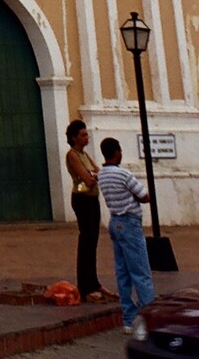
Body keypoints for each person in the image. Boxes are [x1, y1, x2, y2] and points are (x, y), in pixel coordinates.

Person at [96, 136, 155, 332]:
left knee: (122, 273)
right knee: (141, 272)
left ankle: (128, 319)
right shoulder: (123, 174)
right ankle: (148, 319)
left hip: (115, 221)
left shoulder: (102, 174)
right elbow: (145, 196)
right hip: (129, 222)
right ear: (117, 152)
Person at [64, 120, 112, 301]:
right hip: (81, 198)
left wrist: (92, 174)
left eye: (86, 134)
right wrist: (92, 175)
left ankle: (93, 281)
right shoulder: (72, 155)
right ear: (74, 137)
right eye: (83, 135)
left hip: (92, 198)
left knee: (93, 240)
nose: (86, 137)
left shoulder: (85, 154)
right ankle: (85, 285)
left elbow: (98, 172)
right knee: (86, 240)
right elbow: (88, 179)